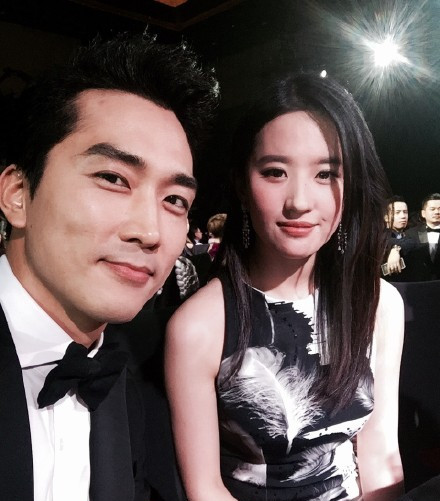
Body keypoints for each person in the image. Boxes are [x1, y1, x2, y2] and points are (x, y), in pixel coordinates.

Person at [165, 73, 404, 501]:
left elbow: (380, 452)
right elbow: (205, 489)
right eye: (275, 172)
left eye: (325, 174)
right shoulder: (200, 326)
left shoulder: (378, 304)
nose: (299, 201)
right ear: (242, 184)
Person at [0, 32, 218, 501]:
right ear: (18, 194)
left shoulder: (138, 372)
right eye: (113, 178)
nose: (150, 231)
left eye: (175, 200)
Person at [403, 193, 440, 281]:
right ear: (423, 213)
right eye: (432, 209)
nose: (437, 212)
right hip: (419, 283)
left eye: (439, 209)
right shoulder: (411, 233)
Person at [383, 196, 415, 281]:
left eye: (405, 212)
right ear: (386, 217)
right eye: (397, 213)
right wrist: (395, 247)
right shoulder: (379, 236)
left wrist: (395, 249)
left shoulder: (412, 233)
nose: (403, 216)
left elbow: (414, 243)